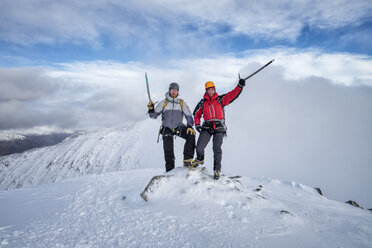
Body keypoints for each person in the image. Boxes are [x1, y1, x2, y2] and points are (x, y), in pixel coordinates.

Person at [193, 78, 246, 179]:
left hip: (219, 127)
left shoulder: (220, 99)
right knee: (199, 147)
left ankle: (217, 169)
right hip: (207, 127)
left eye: (212, 89)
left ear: (214, 89)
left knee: (216, 148)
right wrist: (197, 124)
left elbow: (232, 94)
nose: (210, 91)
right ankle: (199, 159)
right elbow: (196, 114)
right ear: (206, 91)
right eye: (208, 89)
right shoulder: (202, 102)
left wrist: (240, 86)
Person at [147, 82, 196, 172]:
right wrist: (151, 109)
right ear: (169, 91)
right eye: (172, 90)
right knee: (168, 150)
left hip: (179, 127)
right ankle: (170, 171)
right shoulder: (163, 103)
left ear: (178, 92)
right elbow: (153, 116)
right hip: (167, 128)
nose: (173, 92)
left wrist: (189, 126)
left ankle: (187, 160)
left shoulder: (182, 103)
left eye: (175, 90)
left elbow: (189, 116)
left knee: (191, 135)